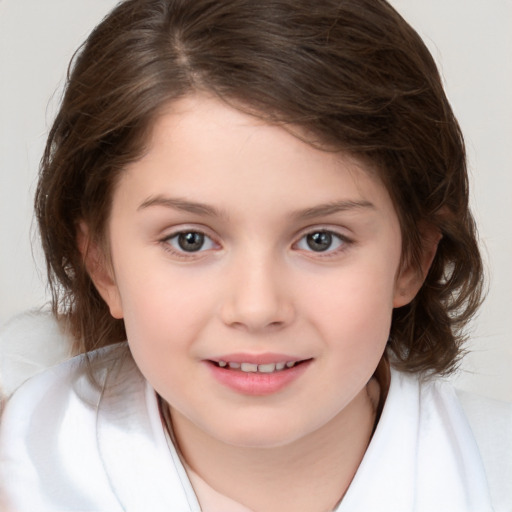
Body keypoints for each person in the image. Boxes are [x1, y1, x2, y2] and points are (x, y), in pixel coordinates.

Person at [0, 0, 510, 510]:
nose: (257, 308)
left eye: (320, 239)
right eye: (190, 240)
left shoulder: (494, 471)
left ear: (412, 259)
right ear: (102, 265)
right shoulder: (21, 467)